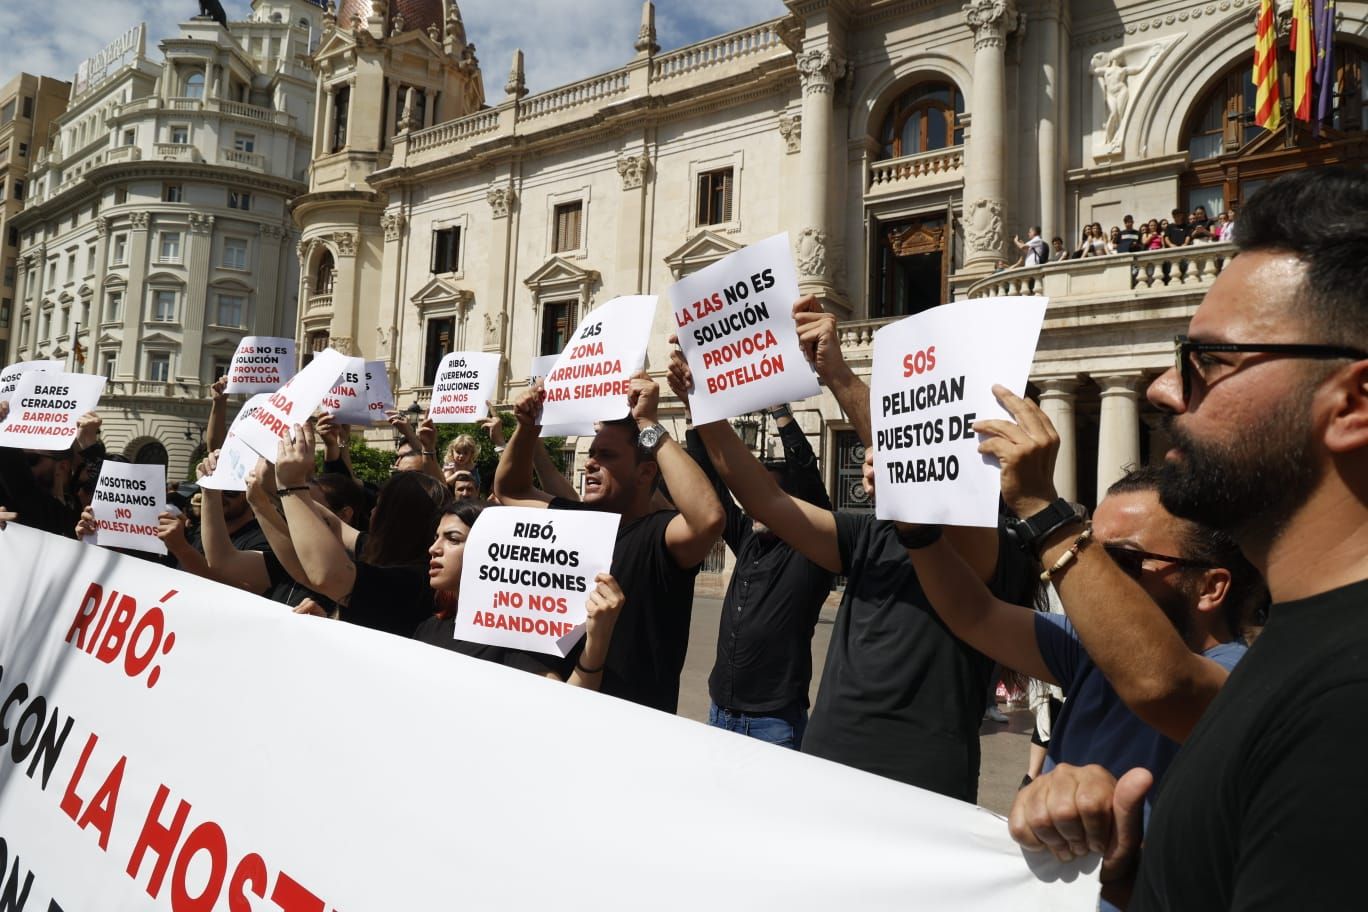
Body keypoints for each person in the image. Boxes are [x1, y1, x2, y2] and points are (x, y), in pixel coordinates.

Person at [1008, 168, 1368, 910]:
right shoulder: (1302, 649)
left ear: (1355, 403)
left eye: (1211, 361)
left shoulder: (1348, 705)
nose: (1166, 391)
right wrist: (1134, 873)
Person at [682, 298, 1034, 799]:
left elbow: (923, 477)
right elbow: (767, 499)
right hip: (828, 773)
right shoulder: (870, 535)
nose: (887, 448)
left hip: (922, 789)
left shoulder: (995, 543)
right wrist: (705, 404)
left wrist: (840, 376)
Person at [492, 372, 724, 713]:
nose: (589, 462)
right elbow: (510, 490)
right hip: (559, 713)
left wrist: (648, 422)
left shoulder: (658, 536)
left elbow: (708, 517)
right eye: (591, 453)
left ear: (645, 473)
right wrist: (528, 428)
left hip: (632, 729)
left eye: (606, 455)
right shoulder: (573, 519)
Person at [674, 386, 835, 749]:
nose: (757, 505)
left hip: (773, 723)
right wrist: (691, 407)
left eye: (770, 497)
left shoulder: (810, 552)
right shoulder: (747, 537)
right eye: (754, 497)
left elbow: (809, 479)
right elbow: (710, 485)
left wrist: (779, 409)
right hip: (720, 712)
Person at [417, 499, 625, 689]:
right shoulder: (428, 629)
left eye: (453, 539)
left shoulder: (514, 639)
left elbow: (562, 710)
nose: (434, 548)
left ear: (490, 549)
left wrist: (597, 644)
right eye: (436, 538)